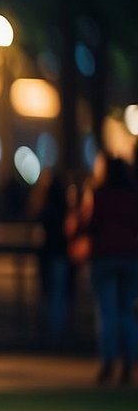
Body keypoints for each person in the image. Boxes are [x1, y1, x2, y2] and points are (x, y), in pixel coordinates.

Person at [79, 154, 138, 385]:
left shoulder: (99, 195)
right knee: (127, 313)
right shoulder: (132, 197)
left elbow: (89, 224)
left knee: (107, 312)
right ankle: (129, 362)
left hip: (104, 257)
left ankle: (108, 361)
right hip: (130, 258)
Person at [28, 168, 71, 346]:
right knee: (59, 295)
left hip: (47, 255)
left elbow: (37, 232)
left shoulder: (41, 205)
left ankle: (49, 332)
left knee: (48, 294)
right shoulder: (63, 205)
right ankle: (59, 332)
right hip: (61, 253)